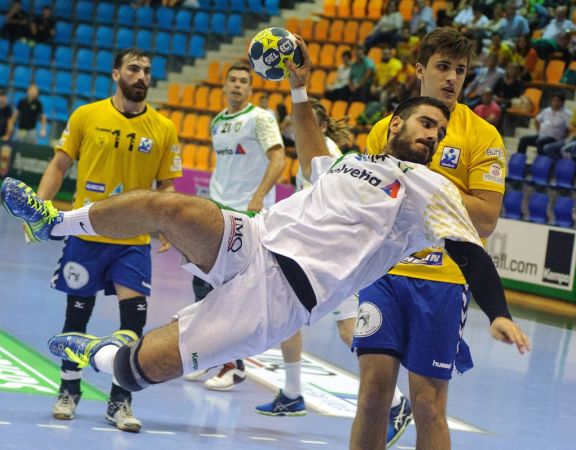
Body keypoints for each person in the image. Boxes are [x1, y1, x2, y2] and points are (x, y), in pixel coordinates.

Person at [3, 40, 530, 449]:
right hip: (252, 239)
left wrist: (497, 311)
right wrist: (299, 88)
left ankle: (99, 357)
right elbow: (310, 150)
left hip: (282, 298)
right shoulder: (353, 163)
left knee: (142, 369)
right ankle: (55, 222)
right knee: (172, 208)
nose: (433, 135)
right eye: (425, 124)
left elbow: (470, 250)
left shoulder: (427, 189)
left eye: (439, 133)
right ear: (396, 123)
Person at [352, 27, 512, 449]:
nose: (452, 78)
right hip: (383, 274)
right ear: (420, 69)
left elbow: (486, 219)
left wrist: (428, 182)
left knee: (427, 404)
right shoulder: (388, 128)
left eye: (460, 70)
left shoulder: (483, 136)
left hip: (442, 280)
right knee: (372, 397)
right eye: (443, 67)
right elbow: (372, 205)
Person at [31, 48, 182, 433]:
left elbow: (166, 186)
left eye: (147, 71)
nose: (142, 76)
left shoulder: (163, 128)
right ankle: (68, 389)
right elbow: (60, 164)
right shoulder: (87, 115)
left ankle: (121, 399)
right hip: (85, 234)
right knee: (76, 314)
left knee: (132, 323)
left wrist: (169, 227)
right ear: (116, 74)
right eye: (134, 69)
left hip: (133, 240)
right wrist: (39, 209)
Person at [254, 99, 365, 418]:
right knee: (287, 316)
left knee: (348, 331)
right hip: (316, 254)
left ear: (323, 127)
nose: (298, 127)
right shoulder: (311, 154)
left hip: (333, 257)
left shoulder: (327, 156)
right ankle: (291, 393)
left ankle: (395, 400)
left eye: (305, 122)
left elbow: (332, 209)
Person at [188, 62, 285, 391]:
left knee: (230, 291)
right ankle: (210, 356)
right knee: (201, 283)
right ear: (224, 85)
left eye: (244, 81)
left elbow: (278, 158)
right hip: (218, 210)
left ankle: (235, 364)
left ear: (250, 89)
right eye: (233, 80)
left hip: (247, 215)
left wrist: (258, 197)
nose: (238, 86)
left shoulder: (260, 118)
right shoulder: (217, 122)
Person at [516, 91, 572, 157]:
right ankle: (519, 160)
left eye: (558, 101)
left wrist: (564, 138)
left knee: (540, 142)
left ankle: (541, 162)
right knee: (524, 140)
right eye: (554, 100)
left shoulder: (567, 114)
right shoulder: (546, 110)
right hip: (542, 136)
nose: (555, 103)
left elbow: (570, 129)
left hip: (555, 139)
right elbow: (537, 120)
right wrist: (539, 131)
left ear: (562, 102)